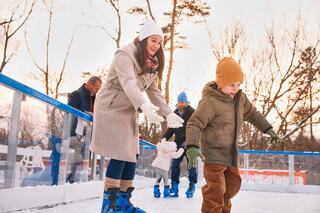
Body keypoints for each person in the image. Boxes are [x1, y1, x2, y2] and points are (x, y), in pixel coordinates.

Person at [90, 20, 184, 213]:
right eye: (153, 40)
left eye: (159, 42)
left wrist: (168, 113)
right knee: (120, 153)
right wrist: (143, 105)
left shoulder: (151, 63)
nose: (156, 45)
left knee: (132, 154)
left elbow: (154, 92)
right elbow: (128, 83)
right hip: (112, 107)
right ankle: (108, 204)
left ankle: (123, 202)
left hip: (129, 109)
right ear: (143, 39)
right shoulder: (124, 55)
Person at [185, 57, 284, 213]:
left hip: (231, 155)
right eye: (231, 85)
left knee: (231, 187)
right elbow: (194, 123)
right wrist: (191, 146)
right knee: (216, 191)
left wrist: (268, 129)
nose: (235, 88)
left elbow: (253, 114)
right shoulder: (210, 101)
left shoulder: (240, 99)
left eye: (238, 84)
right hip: (213, 154)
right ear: (220, 83)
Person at [67, 76, 102, 183]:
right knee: (76, 157)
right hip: (76, 133)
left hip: (88, 134)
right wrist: (85, 113)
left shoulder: (94, 98)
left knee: (85, 156)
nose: (97, 91)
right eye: (96, 88)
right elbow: (70, 110)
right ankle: (71, 178)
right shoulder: (77, 94)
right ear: (90, 84)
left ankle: (80, 179)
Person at [162, 91, 196, 198]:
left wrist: (189, 141)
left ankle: (191, 186)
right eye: (179, 102)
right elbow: (171, 128)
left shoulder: (192, 112)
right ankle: (174, 186)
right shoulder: (175, 113)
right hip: (178, 143)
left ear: (186, 102)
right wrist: (164, 138)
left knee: (191, 165)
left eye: (183, 102)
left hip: (190, 143)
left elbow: (196, 128)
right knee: (175, 164)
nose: (181, 103)